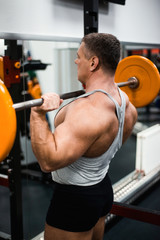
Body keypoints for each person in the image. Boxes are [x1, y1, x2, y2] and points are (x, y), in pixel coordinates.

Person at [30, 33, 137, 240]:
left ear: (93, 62)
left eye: (79, 55)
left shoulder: (86, 111)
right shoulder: (125, 102)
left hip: (74, 200)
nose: (76, 60)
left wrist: (38, 114)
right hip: (102, 188)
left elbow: (48, 162)